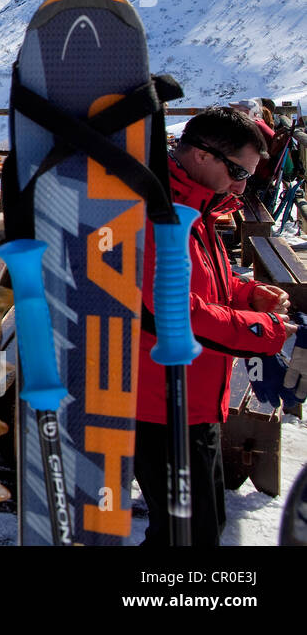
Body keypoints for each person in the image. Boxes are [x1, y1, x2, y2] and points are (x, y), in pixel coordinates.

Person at [135, 107, 292, 547]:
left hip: (196, 398)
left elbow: (205, 283)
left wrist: (249, 296)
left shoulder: (196, 206)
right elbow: (174, 313)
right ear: (202, 155)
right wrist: (263, 330)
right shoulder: (155, 211)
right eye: (239, 171)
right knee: (187, 537)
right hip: (161, 406)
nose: (243, 185)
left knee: (195, 530)